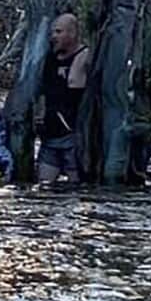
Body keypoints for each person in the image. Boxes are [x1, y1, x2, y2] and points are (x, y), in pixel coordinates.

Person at [38, 13, 92, 183]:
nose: (54, 36)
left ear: (73, 33)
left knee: (75, 186)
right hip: (50, 135)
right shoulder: (49, 58)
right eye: (53, 32)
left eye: (59, 32)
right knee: (44, 185)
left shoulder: (85, 56)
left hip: (73, 136)